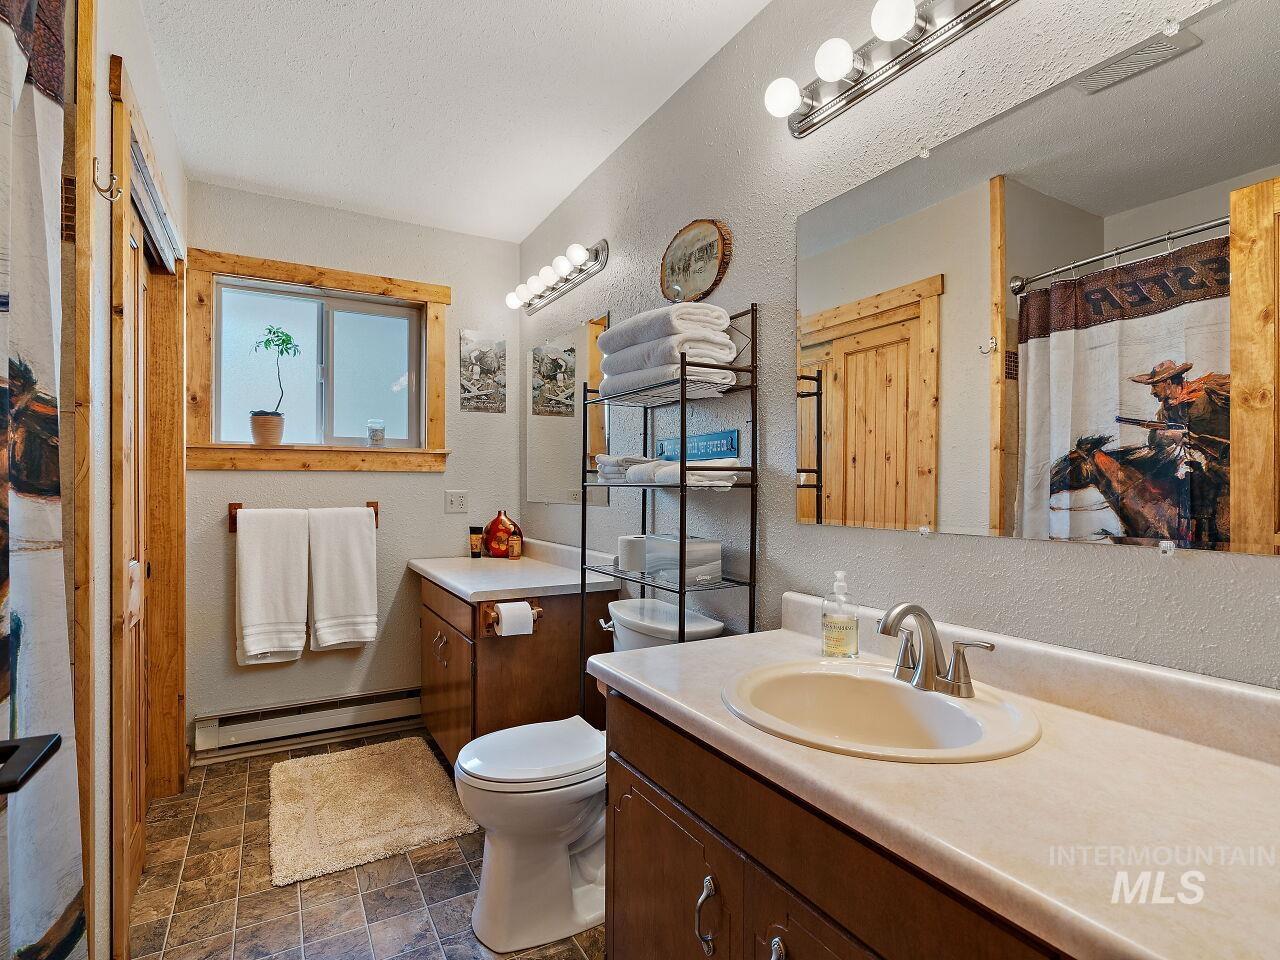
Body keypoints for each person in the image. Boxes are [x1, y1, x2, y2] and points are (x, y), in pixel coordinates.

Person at [1128, 360, 1230, 543]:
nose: (1152, 392)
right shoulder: (1167, 410)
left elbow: (1221, 434)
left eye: (1155, 386)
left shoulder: (1202, 402)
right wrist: (1163, 436)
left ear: (1168, 383)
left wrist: (1186, 436)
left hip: (1225, 465)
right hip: (1196, 466)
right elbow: (1154, 440)